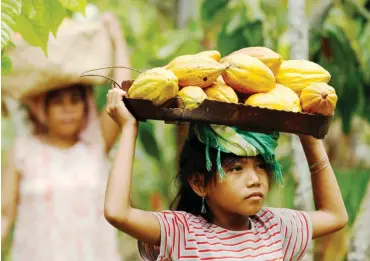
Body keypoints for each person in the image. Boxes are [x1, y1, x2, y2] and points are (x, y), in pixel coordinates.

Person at [103, 88, 348, 261]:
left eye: (261, 165)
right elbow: (117, 213)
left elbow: (335, 216)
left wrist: (309, 137)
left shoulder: (275, 228)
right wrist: (128, 128)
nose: (255, 179)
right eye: (236, 168)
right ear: (199, 183)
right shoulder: (184, 232)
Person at [1, 14, 130, 261]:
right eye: (58, 103)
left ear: (86, 107)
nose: (68, 110)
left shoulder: (96, 145)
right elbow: (4, 215)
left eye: (75, 101)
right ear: (41, 110)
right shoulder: (23, 152)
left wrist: (116, 38)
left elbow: (123, 93)